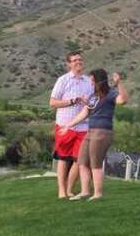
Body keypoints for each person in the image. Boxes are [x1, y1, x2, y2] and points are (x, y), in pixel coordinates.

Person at [59, 69, 129, 200]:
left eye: (92, 81)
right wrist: (68, 125)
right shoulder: (93, 96)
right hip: (90, 131)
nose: (90, 83)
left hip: (102, 132)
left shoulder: (111, 94)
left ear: (98, 81)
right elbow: (84, 113)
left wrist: (119, 83)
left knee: (95, 163)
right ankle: (85, 191)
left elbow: (123, 100)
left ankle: (98, 193)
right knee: (82, 161)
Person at [50, 52, 94, 198]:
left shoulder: (88, 81)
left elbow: (93, 102)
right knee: (63, 159)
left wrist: (89, 103)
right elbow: (52, 103)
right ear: (69, 64)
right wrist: (73, 101)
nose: (78, 62)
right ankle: (61, 191)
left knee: (79, 160)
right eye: (75, 60)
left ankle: (69, 189)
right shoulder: (62, 80)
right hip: (64, 125)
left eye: (80, 60)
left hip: (83, 126)